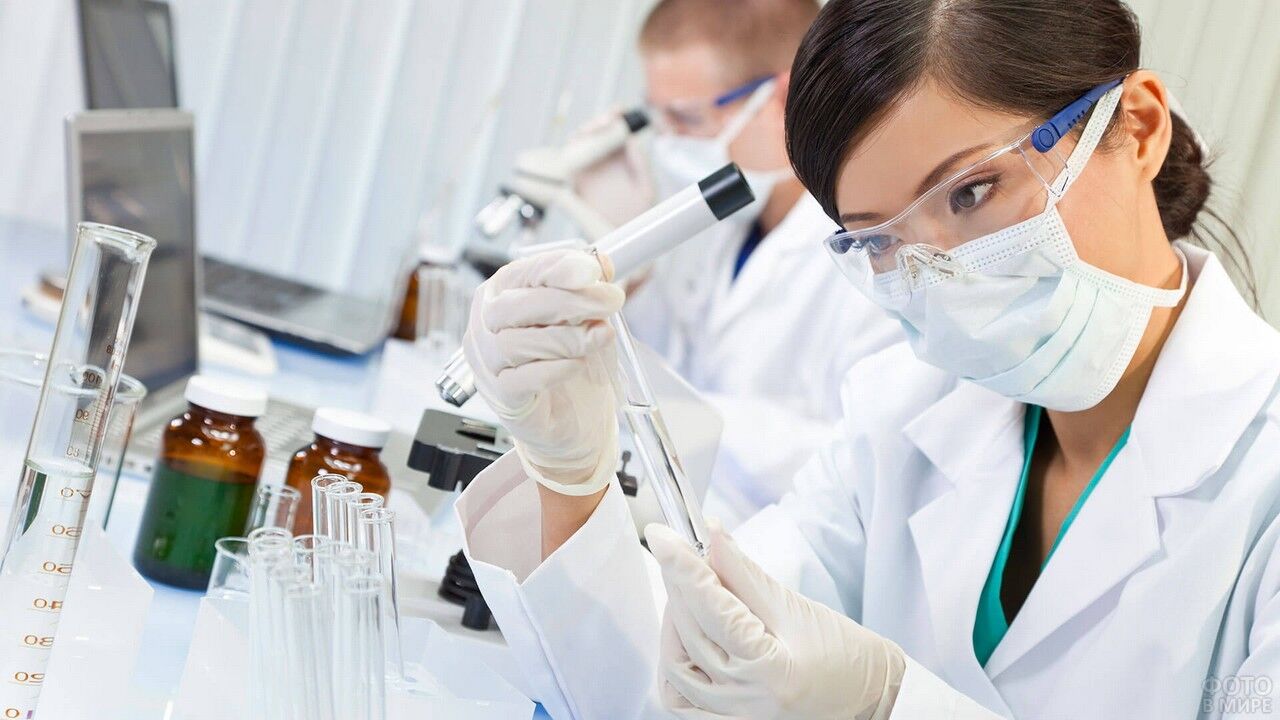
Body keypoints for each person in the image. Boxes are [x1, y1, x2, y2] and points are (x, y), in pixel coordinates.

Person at [455, 0, 1280, 717]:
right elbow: (671, 688)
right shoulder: (901, 413)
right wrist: (570, 482)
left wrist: (891, 703)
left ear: (1138, 128)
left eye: (972, 192)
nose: (943, 274)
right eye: (882, 241)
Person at [575, 0, 904, 524]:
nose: (669, 143)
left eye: (688, 119)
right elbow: (664, 366)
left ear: (784, 95)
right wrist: (625, 261)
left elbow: (868, 459)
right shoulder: (730, 225)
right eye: (658, 118)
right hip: (688, 521)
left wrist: (690, 418)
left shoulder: (875, 252)